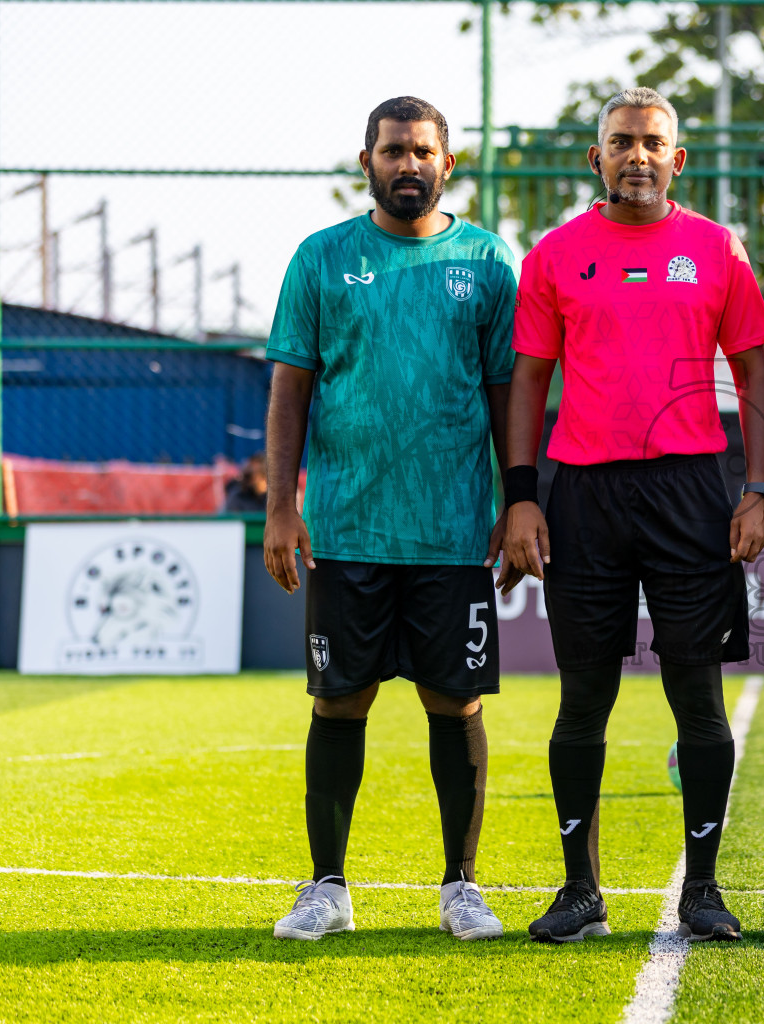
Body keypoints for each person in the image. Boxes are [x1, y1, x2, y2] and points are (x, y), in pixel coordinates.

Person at [501, 87, 764, 943]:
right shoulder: (553, 256)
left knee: (698, 694)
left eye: (653, 142)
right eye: (621, 142)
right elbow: (528, 386)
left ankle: (703, 889)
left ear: (678, 158)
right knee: (584, 697)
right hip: (584, 494)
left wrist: (760, 490)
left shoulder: (716, 250)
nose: (638, 156)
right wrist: (521, 498)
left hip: (692, 492)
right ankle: (578, 890)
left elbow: (757, 380)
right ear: (597, 158)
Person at [263, 96, 516, 943]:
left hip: (449, 532)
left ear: (449, 163)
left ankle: (461, 887)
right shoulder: (323, 258)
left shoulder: (485, 262)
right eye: (392, 151)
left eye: (421, 151)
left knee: (457, 702)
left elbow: (508, 392)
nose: (407, 165)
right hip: (347, 527)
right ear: (365, 161)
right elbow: (291, 388)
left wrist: (517, 498)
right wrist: (280, 507)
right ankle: (326, 887)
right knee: (340, 702)